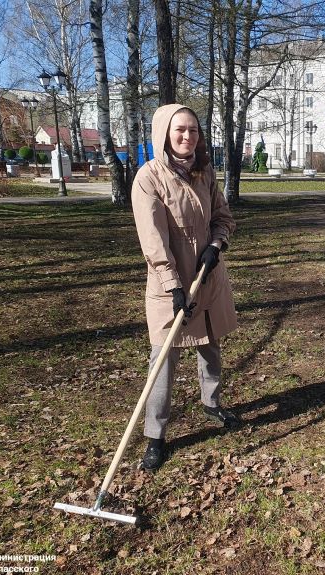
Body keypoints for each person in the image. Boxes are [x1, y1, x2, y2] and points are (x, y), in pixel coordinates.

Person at [131, 104, 239, 471]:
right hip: (170, 286)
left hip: (207, 278)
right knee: (163, 360)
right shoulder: (149, 178)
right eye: (180, 129)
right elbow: (154, 240)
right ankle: (155, 436)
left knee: (210, 346)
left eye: (193, 130)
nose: (187, 136)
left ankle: (212, 403)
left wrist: (216, 244)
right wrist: (173, 286)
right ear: (164, 132)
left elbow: (223, 218)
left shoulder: (204, 172)